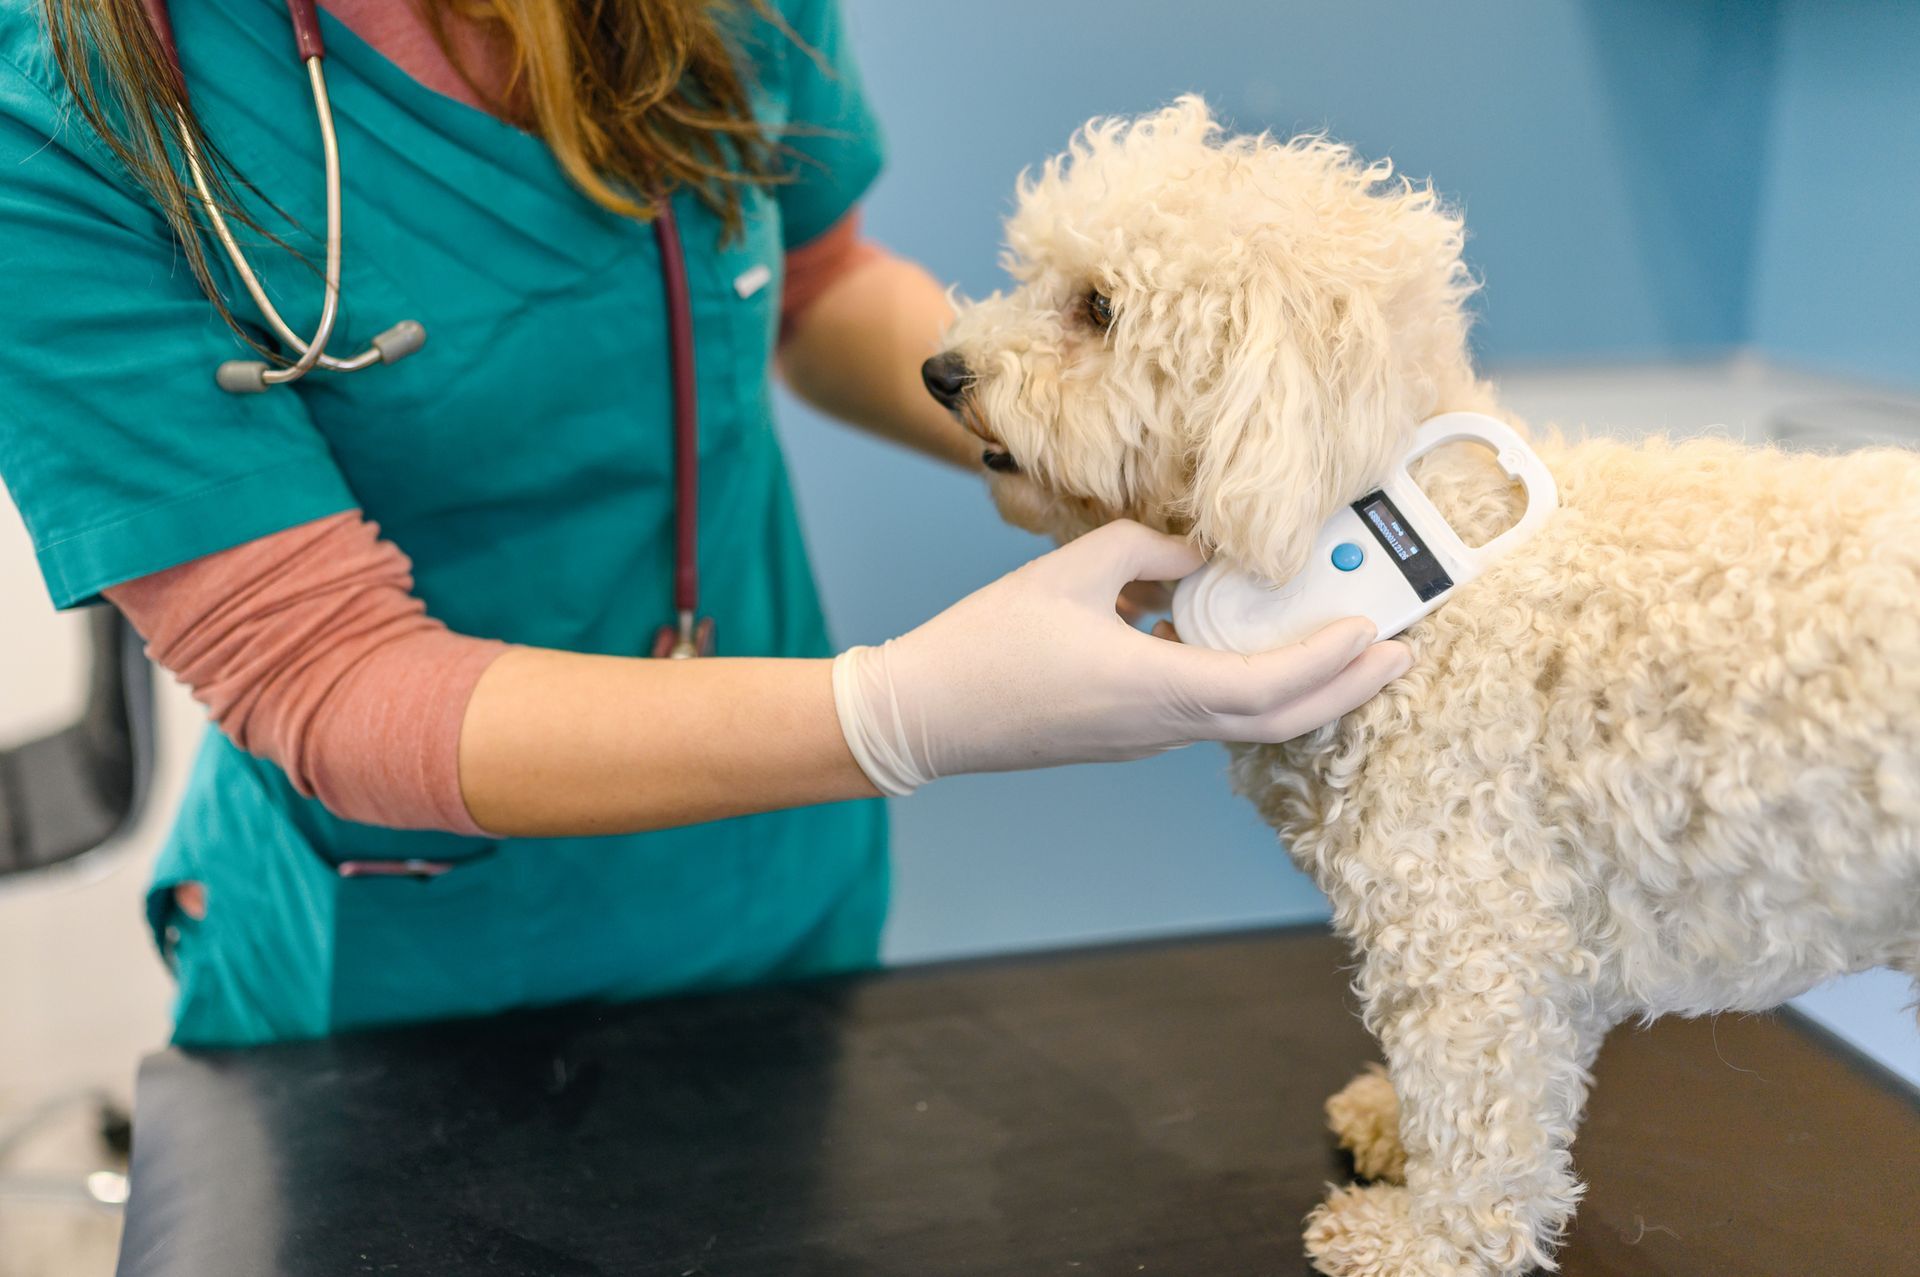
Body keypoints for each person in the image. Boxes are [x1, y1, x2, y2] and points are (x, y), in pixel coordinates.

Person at [0, 0, 1410, 1046]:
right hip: (406, 976)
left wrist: (1102, 441)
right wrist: (900, 713)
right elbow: (322, 670)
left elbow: (816, 278)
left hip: (778, 899)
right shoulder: (68, 115)